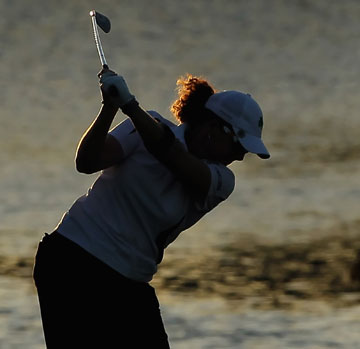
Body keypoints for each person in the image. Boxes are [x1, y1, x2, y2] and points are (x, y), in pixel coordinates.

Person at [32, 68, 270, 348]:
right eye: (238, 145)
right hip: (71, 263)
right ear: (212, 129)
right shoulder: (145, 126)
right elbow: (86, 162)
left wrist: (130, 105)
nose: (241, 157)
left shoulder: (220, 181)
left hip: (129, 284)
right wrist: (110, 107)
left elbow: (169, 153)